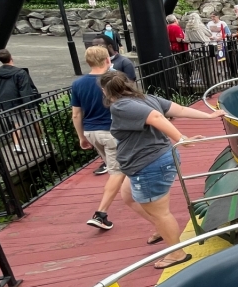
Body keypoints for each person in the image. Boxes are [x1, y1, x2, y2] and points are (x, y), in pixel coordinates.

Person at [100, 71, 219, 269]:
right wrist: (209, 116)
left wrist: (181, 138)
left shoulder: (121, 106)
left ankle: (177, 253)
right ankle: (162, 229)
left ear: (105, 90)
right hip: (148, 161)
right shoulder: (144, 98)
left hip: (149, 163)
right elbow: (178, 109)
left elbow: (155, 117)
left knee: (160, 213)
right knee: (127, 195)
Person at [71, 46, 126, 230]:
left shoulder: (78, 84)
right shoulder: (112, 79)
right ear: (107, 60)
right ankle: (101, 213)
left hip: (91, 132)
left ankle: (128, 191)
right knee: (117, 171)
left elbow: (76, 114)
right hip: (111, 131)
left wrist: (81, 137)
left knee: (116, 168)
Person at [0, 49, 40, 153]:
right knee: (34, 119)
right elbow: (24, 89)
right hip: (19, 100)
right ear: (11, 58)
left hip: (4, 102)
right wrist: (27, 105)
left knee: (16, 124)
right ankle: (42, 139)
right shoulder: (20, 72)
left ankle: (17, 145)